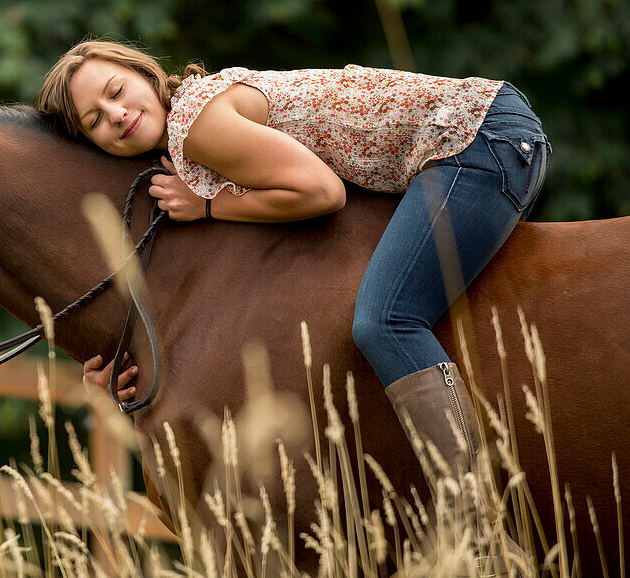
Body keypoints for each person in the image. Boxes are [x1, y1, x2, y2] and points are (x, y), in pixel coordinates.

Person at [37, 39, 548, 554]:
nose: (117, 113)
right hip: (465, 143)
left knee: (385, 321)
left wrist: (211, 207)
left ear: (144, 74)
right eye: (94, 120)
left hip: (479, 139)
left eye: (116, 90)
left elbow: (322, 192)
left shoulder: (196, 123)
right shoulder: (182, 151)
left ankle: (478, 526)